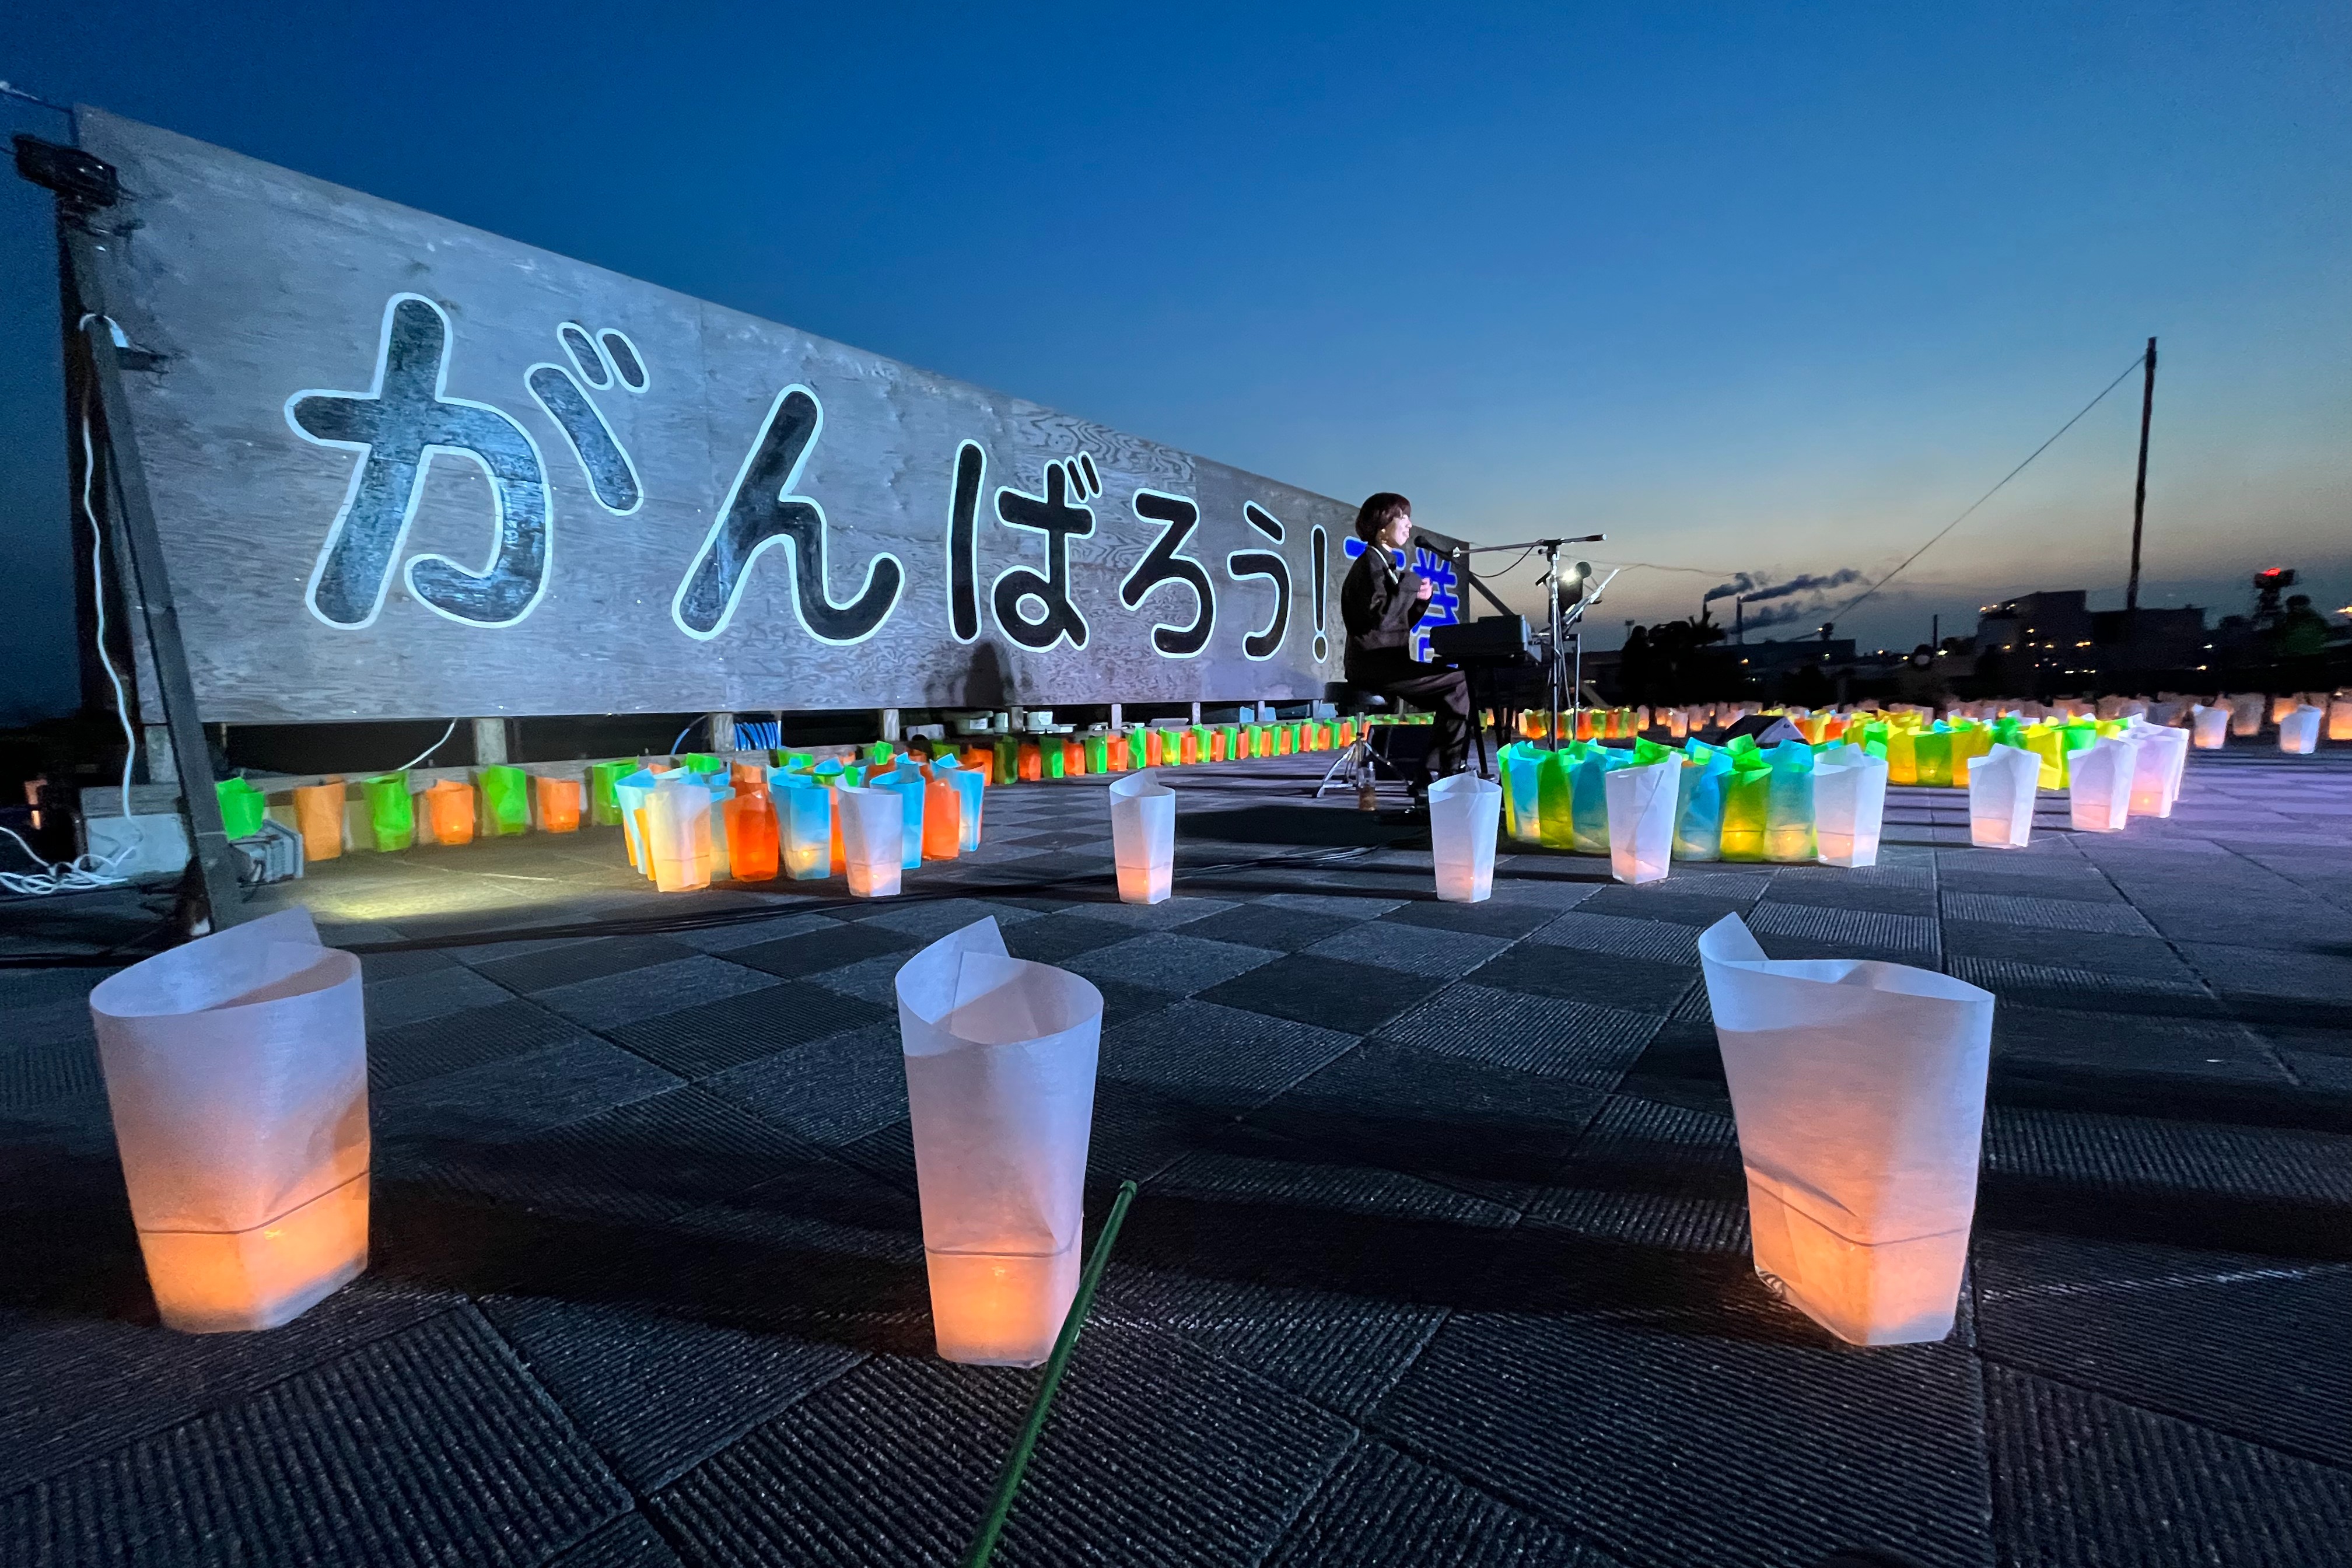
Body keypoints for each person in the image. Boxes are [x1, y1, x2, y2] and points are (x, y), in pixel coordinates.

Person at [1339, 492, 1472, 801]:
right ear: (1383, 524)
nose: (1410, 525)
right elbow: (1382, 622)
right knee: (1460, 684)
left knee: (1458, 687)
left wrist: (1420, 601)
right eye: (1404, 517)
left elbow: (1396, 622)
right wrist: (1411, 584)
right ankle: (1441, 772)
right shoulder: (1370, 566)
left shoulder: (1383, 564)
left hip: (1387, 660)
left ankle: (1432, 773)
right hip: (1374, 665)